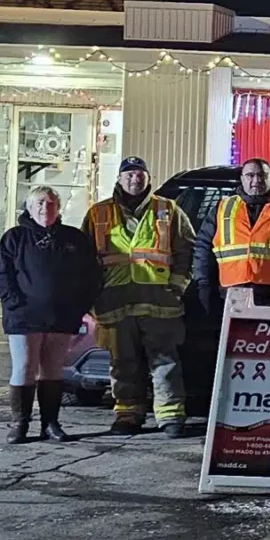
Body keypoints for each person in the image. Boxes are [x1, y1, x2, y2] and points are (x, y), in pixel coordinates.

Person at [82, 157, 193, 437]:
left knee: (165, 362)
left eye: (140, 174)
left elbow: (186, 249)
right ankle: (128, 415)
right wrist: (91, 295)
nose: (135, 179)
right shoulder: (98, 213)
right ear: (119, 179)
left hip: (160, 303)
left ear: (148, 178)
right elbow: (84, 257)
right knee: (122, 363)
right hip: (115, 303)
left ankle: (170, 416)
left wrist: (177, 286)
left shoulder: (168, 209)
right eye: (129, 174)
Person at [0, 184, 101, 446]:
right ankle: (20, 424)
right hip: (23, 318)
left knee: (52, 370)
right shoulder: (14, 238)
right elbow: (1, 275)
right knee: (24, 368)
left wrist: (80, 306)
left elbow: (92, 275)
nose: (45, 207)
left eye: (51, 203)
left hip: (61, 318)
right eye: (40, 202)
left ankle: (50, 424)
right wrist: (15, 304)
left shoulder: (75, 239)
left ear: (59, 208)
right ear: (29, 208)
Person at [201, 158, 270, 308]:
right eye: (250, 175)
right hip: (229, 296)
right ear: (242, 179)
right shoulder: (222, 209)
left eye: (262, 175)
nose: (257, 180)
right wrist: (206, 288)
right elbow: (203, 250)